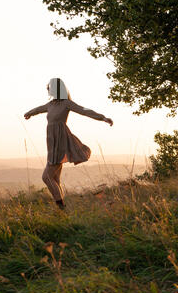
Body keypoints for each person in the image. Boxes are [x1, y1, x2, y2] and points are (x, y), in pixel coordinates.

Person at [24, 78, 113, 210]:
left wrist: (102, 117)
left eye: (49, 87)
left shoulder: (66, 103)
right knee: (55, 178)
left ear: (55, 88)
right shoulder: (50, 105)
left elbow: (84, 110)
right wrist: (29, 113)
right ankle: (62, 211)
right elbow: (38, 109)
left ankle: (61, 207)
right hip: (51, 142)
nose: (47, 89)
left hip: (61, 141)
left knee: (46, 177)